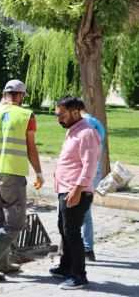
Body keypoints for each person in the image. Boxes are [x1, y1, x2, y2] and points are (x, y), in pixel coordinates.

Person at [0, 79, 44, 281]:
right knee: (14, 224)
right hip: (13, 175)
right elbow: (31, 148)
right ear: (21, 95)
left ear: (5, 93)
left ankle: (4, 264)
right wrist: (39, 173)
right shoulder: (26, 115)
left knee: (0, 221)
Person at [50, 96, 101, 290]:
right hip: (66, 189)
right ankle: (66, 267)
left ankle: (79, 275)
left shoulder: (87, 132)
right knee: (64, 230)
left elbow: (90, 166)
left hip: (75, 191)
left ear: (75, 112)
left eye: (61, 115)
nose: (59, 119)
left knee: (72, 233)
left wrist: (77, 189)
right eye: (57, 115)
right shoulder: (74, 129)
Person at [76, 99, 105, 262]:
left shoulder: (85, 124)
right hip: (96, 170)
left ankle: (87, 248)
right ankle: (85, 247)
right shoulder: (97, 123)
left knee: (82, 211)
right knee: (84, 210)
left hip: (85, 172)